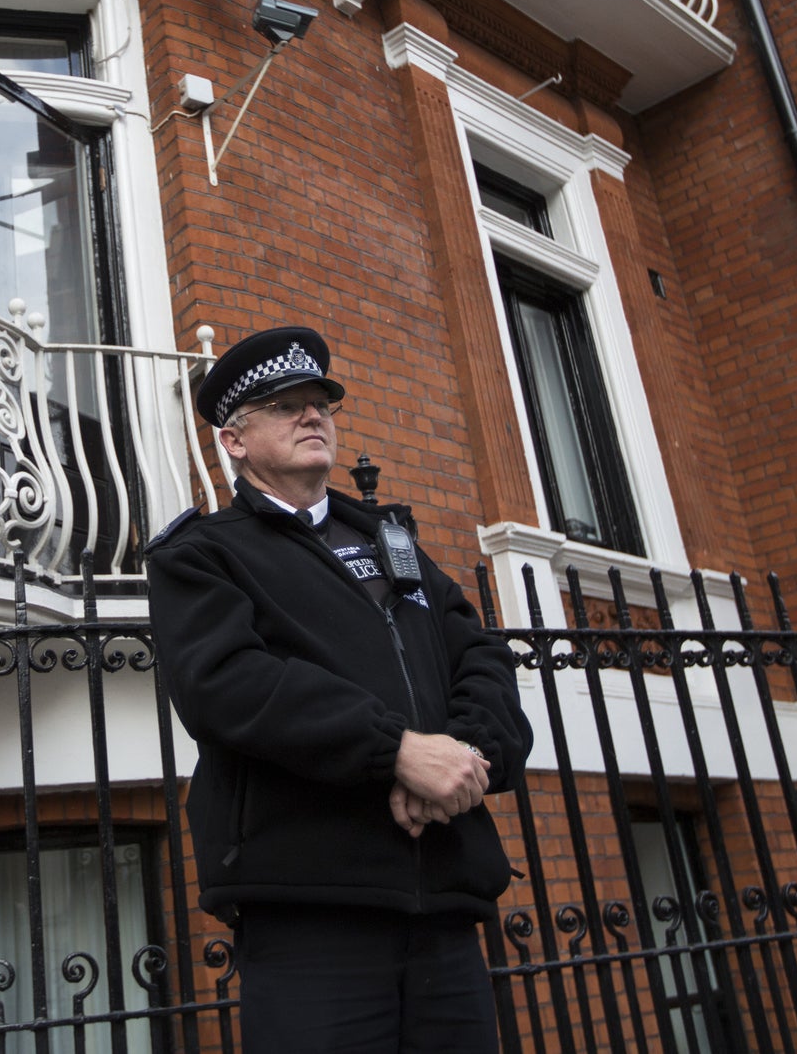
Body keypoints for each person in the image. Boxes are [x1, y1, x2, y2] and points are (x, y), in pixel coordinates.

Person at [147, 326, 532, 1053]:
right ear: (234, 440)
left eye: (319, 401)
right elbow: (227, 683)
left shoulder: (390, 539)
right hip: (313, 922)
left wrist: (460, 757)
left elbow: (477, 652)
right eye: (284, 405)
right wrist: (394, 751)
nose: (312, 415)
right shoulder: (203, 553)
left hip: (447, 913)